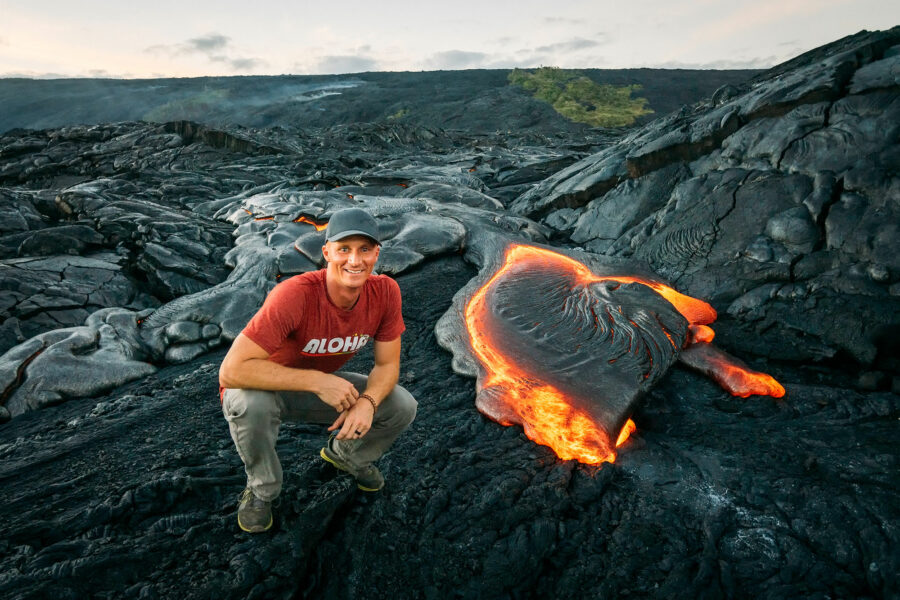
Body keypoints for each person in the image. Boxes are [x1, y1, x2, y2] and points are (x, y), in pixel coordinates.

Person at [218, 207, 417, 533]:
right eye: (344, 249)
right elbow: (231, 371)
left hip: (313, 389)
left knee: (400, 405)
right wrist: (316, 380)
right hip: (262, 387)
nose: (355, 260)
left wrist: (366, 404)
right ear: (326, 252)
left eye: (364, 249)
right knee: (247, 403)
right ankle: (262, 489)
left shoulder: (385, 292)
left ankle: (346, 457)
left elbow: (387, 364)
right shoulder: (295, 294)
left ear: (377, 254)